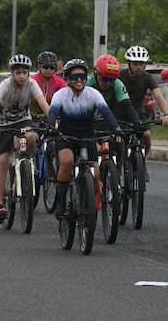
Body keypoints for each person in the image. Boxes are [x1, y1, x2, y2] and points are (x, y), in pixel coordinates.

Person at [47, 58, 120, 219]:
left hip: (87, 136)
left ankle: (88, 200)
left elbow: (107, 113)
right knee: (67, 162)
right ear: (66, 79)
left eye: (82, 76)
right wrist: (51, 128)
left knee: (95, 172)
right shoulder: (60, 95)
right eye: (74, 77)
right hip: (65, 136)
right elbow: (52, 113)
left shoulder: (93, 94)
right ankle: (61, 205)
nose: (79, 80)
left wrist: (116, 129)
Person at [0, 54, 49, 223]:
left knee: (31, 137)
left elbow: (43, 104)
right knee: (3, 161)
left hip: (23, 120)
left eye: (25, 72)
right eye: (18, 72)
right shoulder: (5, 85)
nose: (22, 76)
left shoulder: (32, 84)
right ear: (12, 73)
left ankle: (28, 165)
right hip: (3, 123)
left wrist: (54, 121)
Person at [119, 45, 168, 156]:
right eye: (135, 64)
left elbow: (158, 96)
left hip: (139, 114)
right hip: (120, 115)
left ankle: (142, 161)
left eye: (141, 64)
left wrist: (166, 114)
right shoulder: (120, 76)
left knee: (147, 135)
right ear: (129, 64)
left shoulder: (147, 77)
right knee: (118, 141)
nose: (138, 67)